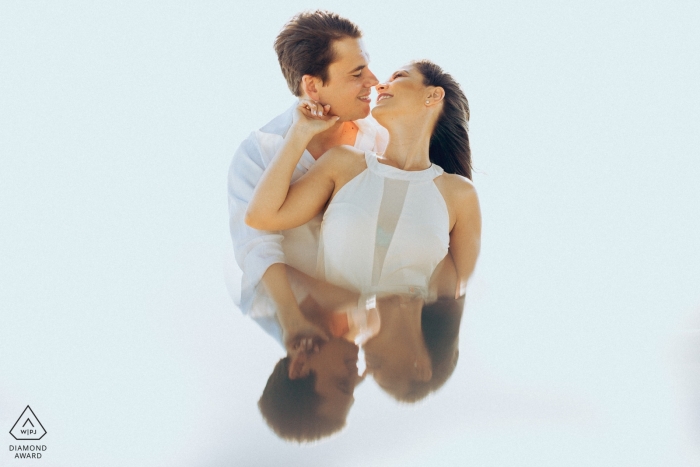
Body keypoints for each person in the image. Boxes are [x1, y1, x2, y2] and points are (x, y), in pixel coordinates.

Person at [245, 59, 481, 302]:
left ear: (433, 95)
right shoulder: (343, 164)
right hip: (339, 334)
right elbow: (261, 216)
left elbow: (455, 297)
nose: (380, 85)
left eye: (398, 77)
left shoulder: (460, 195)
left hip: (407, 336)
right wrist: (300, 132)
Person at [227, 10, 387, 357]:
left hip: (365, 319)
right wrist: (293, 321)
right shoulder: (258, 153)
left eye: (368, 68)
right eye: (357, 74)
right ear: (312, 86)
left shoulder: (383, 142)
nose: (373, 81)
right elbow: (257, 246)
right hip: (290, 331)